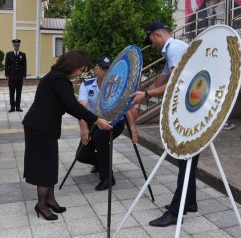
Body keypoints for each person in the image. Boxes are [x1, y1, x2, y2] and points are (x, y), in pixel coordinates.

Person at [22, 50, 112, 221]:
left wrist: (90, 118)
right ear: (72, 65)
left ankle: (50, 199)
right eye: (80, 69)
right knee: (44, 166)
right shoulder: (59, 79)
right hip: (40, 127)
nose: (80, 74)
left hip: (43, 127)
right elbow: (72, 106)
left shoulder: (57, 77)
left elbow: (70, 104)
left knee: (50, 164)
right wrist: (97, 121)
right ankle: (41, 204)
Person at [131, 21, 199, 227]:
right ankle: (190, 203)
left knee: (185, 157)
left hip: (191, 110)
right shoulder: (172, 50)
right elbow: (163, 77)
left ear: (157, 34)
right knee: (187, 159)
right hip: (189, 108)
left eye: (150, 40)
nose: (151, 44)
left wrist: (148, 93)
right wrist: (142, 95)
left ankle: (176, 211)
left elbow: (176, 82)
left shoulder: (175, 48)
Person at [76, 56, 138, 191]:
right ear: (96, 69)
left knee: (99, 139)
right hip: (94, 123)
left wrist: (132, 128)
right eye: (103, 69)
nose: (106, 72)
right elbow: (82, 107)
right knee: (82, 155)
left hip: (114, 122)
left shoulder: (118, 85)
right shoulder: (87, 85)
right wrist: (83, 128)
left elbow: (124, 107)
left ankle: (108, 178)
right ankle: (101, 163)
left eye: (109, 69)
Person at [5, 39, 26, 112]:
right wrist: (7, 75)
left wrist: (24, 75)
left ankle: (18, 107)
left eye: (18, 45)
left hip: (19, 77)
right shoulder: (9, 54)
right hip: (11, 77)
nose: (16, 47)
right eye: (15, 45)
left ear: (19, 46)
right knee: (11, 92)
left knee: (19, 92)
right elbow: (6, 65)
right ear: (13, 46)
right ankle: (12, 107)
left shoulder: (23, 55)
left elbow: (24, 66)